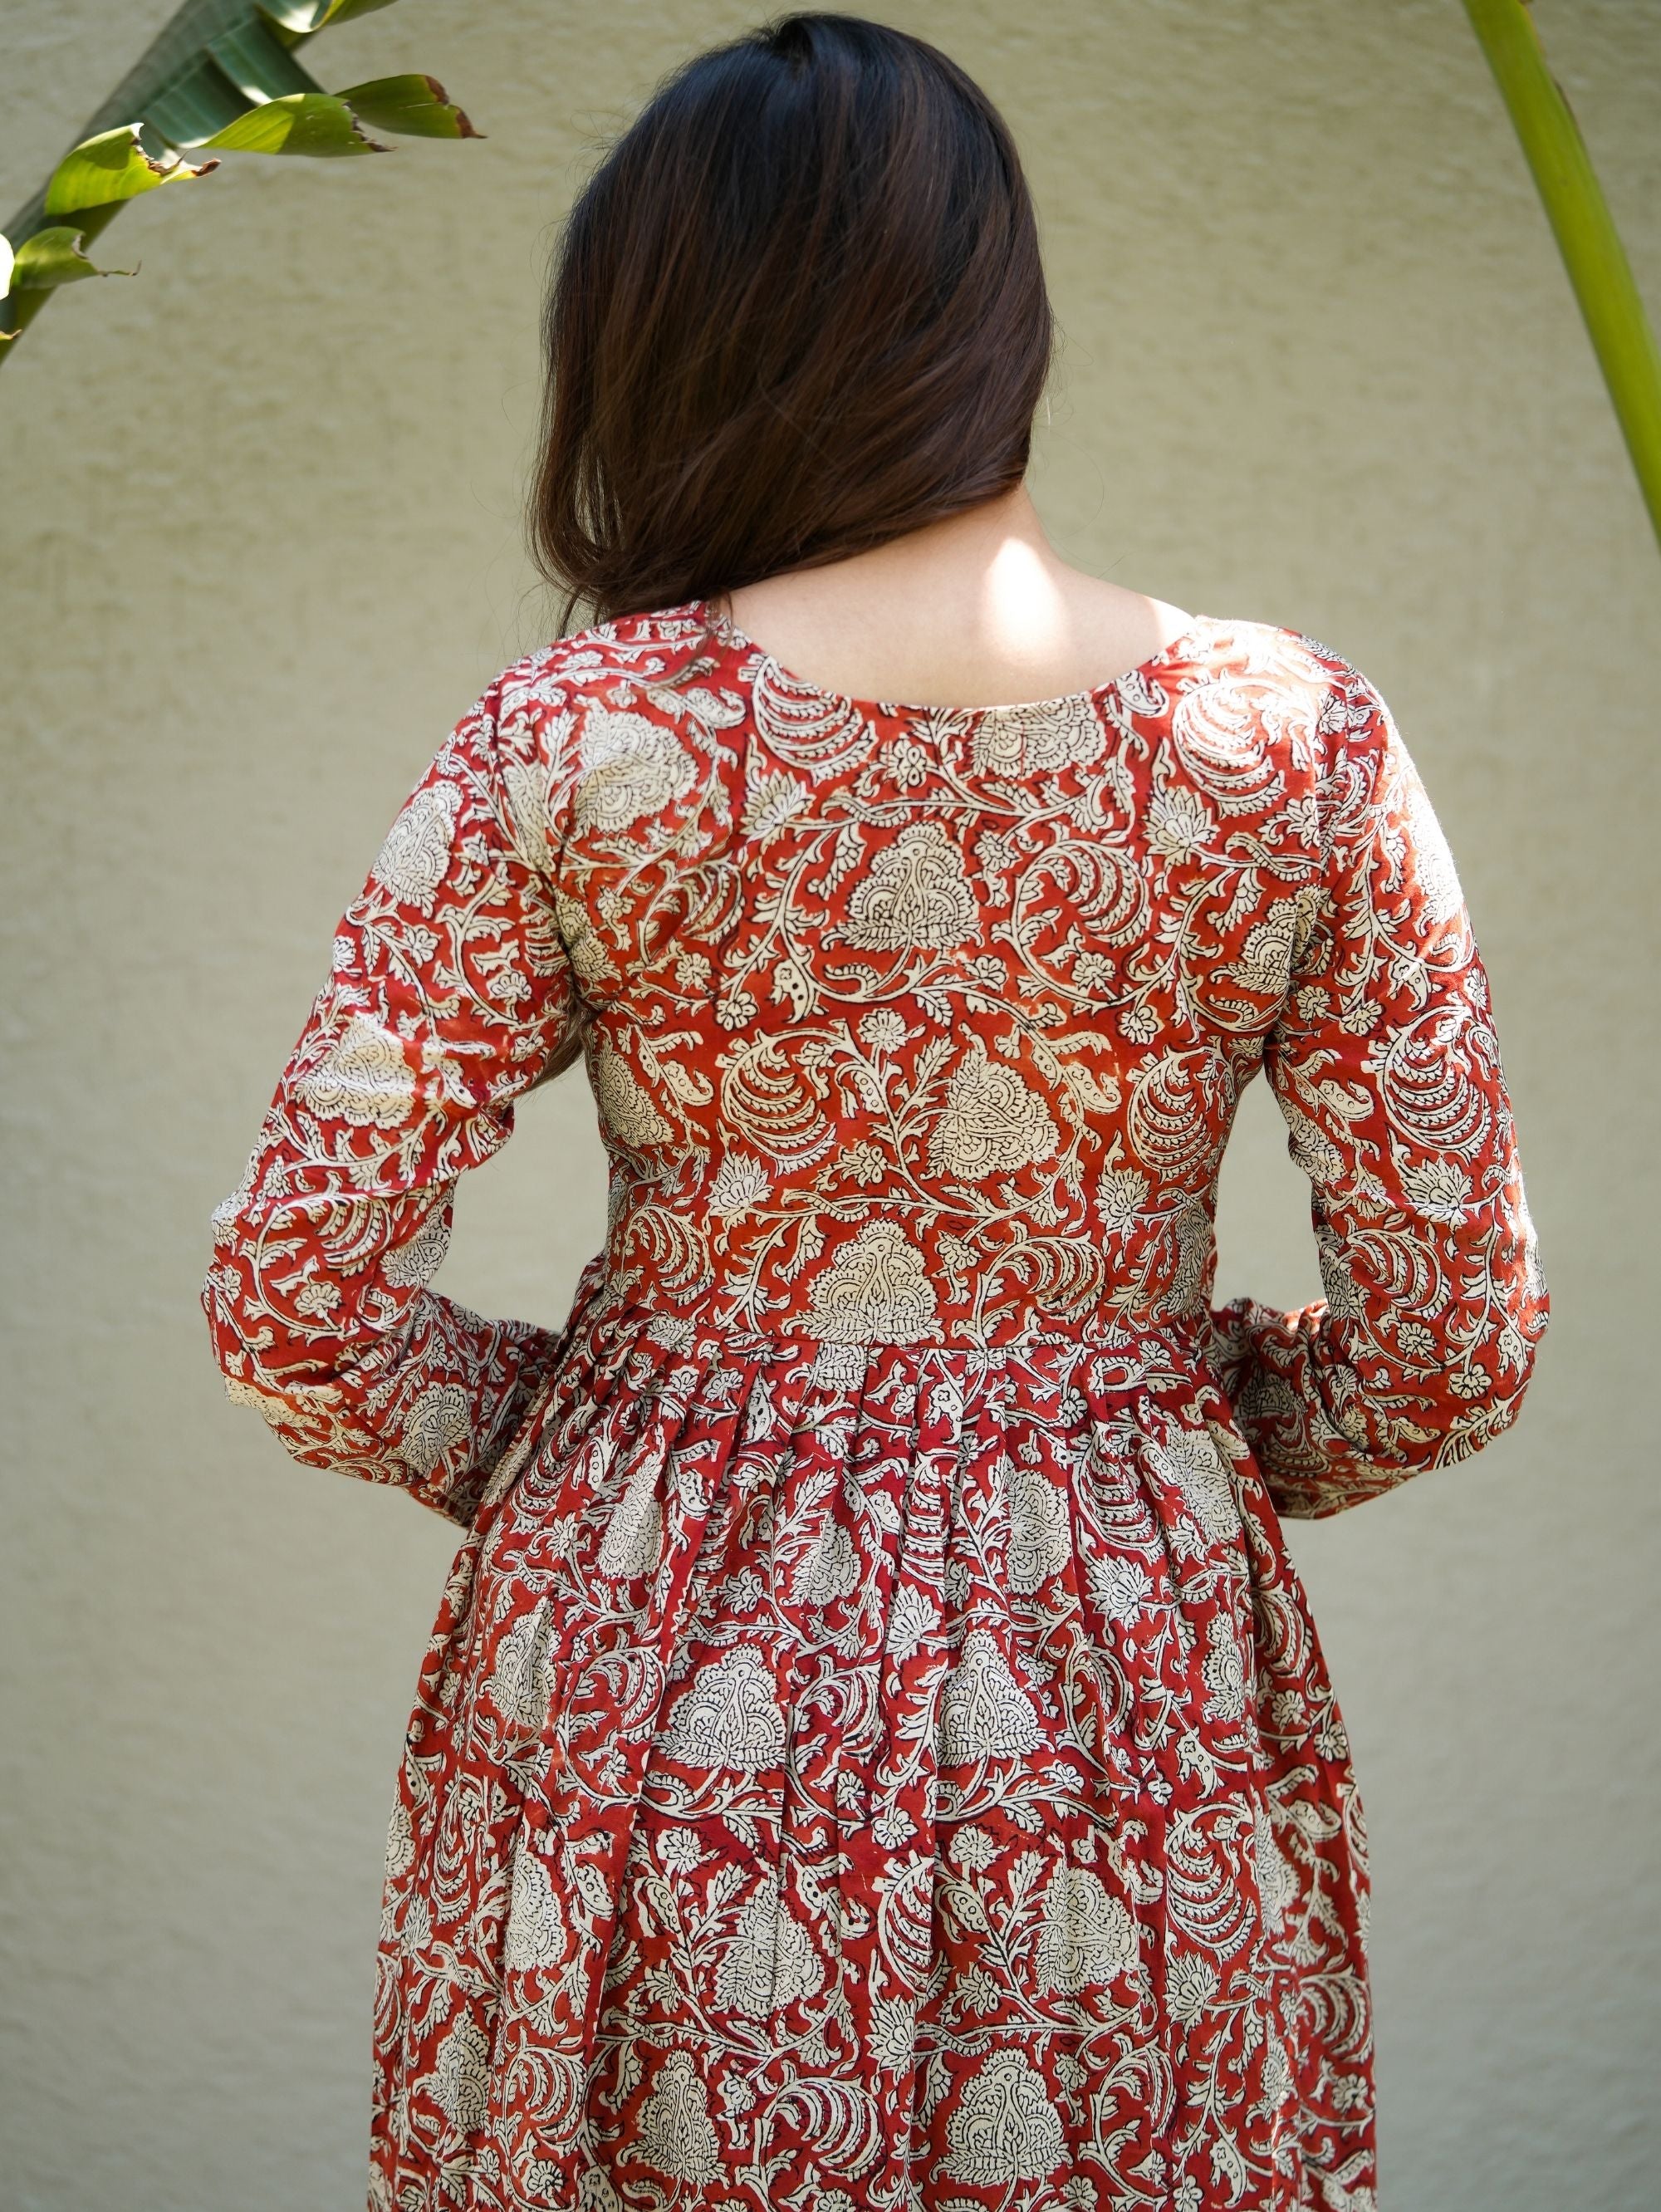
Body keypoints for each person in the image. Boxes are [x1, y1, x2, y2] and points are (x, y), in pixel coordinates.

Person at [201, 14, 1548, 2209]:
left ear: (659, 335)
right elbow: (1453, 1342)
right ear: (1001, 319)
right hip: (1128, 1681)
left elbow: (295, 1297)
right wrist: (1145, 1432)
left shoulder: (577, 746)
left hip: (651, 1673)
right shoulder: (1295, 746)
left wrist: (599, 1446)